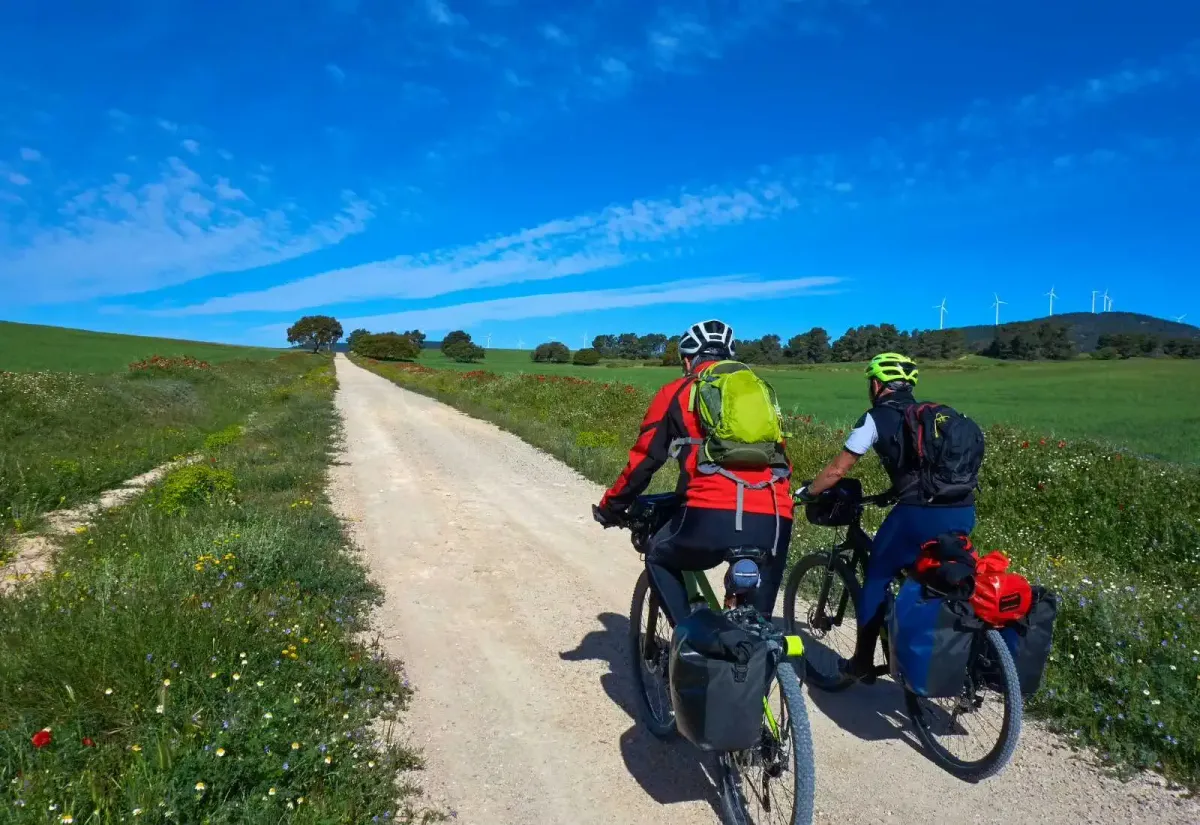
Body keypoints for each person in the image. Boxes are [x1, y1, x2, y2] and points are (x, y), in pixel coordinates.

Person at [593, 319, 794, 625]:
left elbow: (645, 459)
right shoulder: (758, 396)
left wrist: (613, 506)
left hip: (711, 512)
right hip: (776, 514)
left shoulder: (678, 391)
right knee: (759, 625)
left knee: (659, 555)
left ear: (688, 360)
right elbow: (782, 462)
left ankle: (687, 640)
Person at [795, 352, 977, 682]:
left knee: (878, 575)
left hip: (919, 513)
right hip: (963, 509)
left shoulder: (876, 417)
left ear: (877, 385)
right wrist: (892, 494)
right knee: (936, 572)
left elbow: (838, 469)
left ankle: (862, 662)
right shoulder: (931, 417)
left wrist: (809, 492)